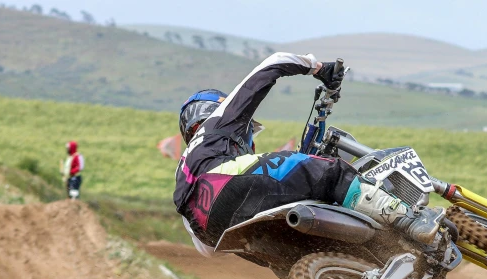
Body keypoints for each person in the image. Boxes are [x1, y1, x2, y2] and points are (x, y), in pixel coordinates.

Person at [173, 52, 444, 256]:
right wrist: (318, 68)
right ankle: (409, 221)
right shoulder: (218, 123)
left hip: (214, 233)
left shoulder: (184, 173)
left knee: (309, 247)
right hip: (229, 184)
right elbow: (274, 63)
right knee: (332, 173)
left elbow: (207, 251)